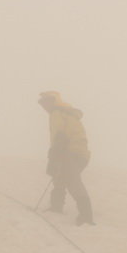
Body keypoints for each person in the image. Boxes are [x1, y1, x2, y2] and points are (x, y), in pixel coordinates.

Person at [38, 90, 94, 225]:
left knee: (71, 180)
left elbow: (59, 134)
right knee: (60, 176)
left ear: (53, 101)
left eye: (46, 102)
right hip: (79, 152)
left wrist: (54, 155)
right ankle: (56, 207)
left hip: (70, 151)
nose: (44, 106)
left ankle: (86, 216)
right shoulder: (67, 113)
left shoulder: (56, 113)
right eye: (42, 103)